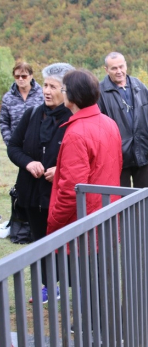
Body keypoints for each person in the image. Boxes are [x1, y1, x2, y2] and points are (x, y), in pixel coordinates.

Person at [7, 62, 75, 303]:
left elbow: (81, 158)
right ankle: (48, 286)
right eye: (45, 85)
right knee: (39, 241)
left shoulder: (73, 119)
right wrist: (28, 163)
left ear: (66, 90)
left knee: (64, 242)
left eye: (52, 86)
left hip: (60, 193)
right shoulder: (33, 113)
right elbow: (13, 146)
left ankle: (70, 284)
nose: (46, 91)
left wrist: (60, 169)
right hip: (32, 192)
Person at [47, 69, 122, 236]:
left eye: (64, 89)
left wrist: (54, 221)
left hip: (83, 222)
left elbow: (71, 189)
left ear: (74, 95)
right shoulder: (110, 123)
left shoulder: (76, 133)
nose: (62, 93)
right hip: (106, 213)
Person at [97, 52, 148, 246]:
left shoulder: (140, 86)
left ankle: (143, 233)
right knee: (121, 197)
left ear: (126, 65)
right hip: (117, 155)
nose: (119, 71)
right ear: (106, 70)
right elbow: (99, 122)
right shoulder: (100, 92)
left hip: (141, 149)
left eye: (121, 66)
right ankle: (123, 234)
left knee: (144, 194)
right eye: (114, 68)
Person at [1, 62, 44, 146]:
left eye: (24, 76)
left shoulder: (43, 94)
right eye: (17, 76)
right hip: (17, 146)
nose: (20, 79)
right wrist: (9, 142)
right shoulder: (8, 97)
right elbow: (4, 122)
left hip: (38, 145)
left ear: (31, 76)